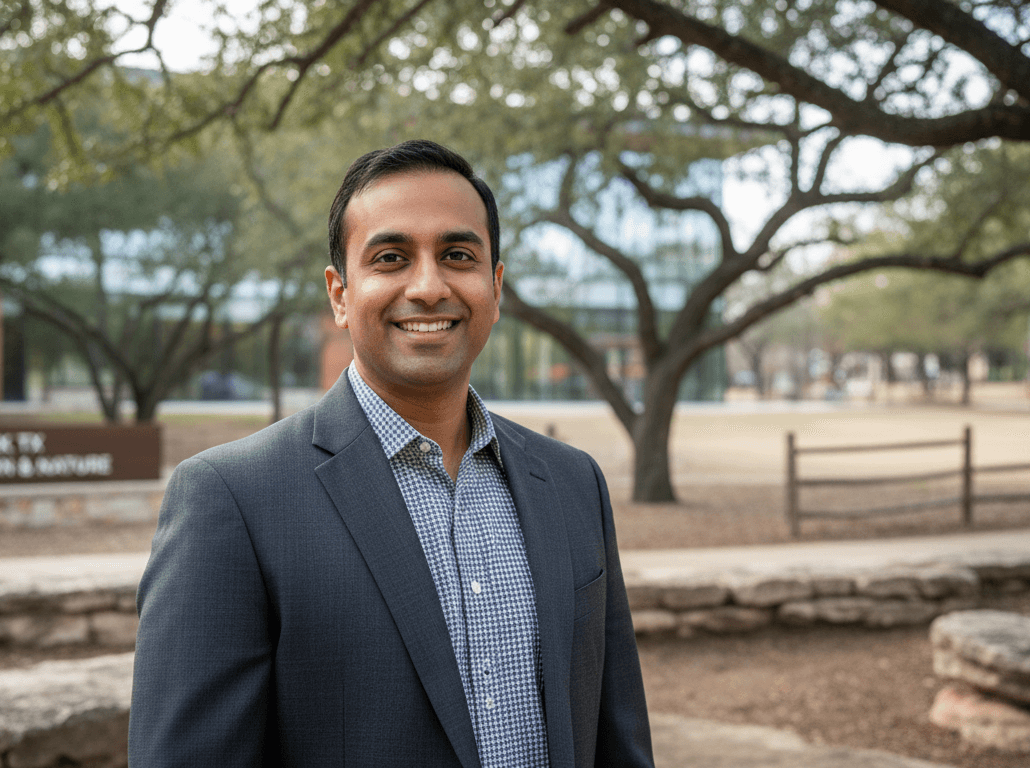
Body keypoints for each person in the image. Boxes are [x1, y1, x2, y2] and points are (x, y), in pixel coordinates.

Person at [129, 139, 654, 767]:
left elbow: (616, 740)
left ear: (496, 285)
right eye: (391, 258)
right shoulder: (232, 499)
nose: (429, 286)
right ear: (340, 294)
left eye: (457, 255)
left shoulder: (572, 483)